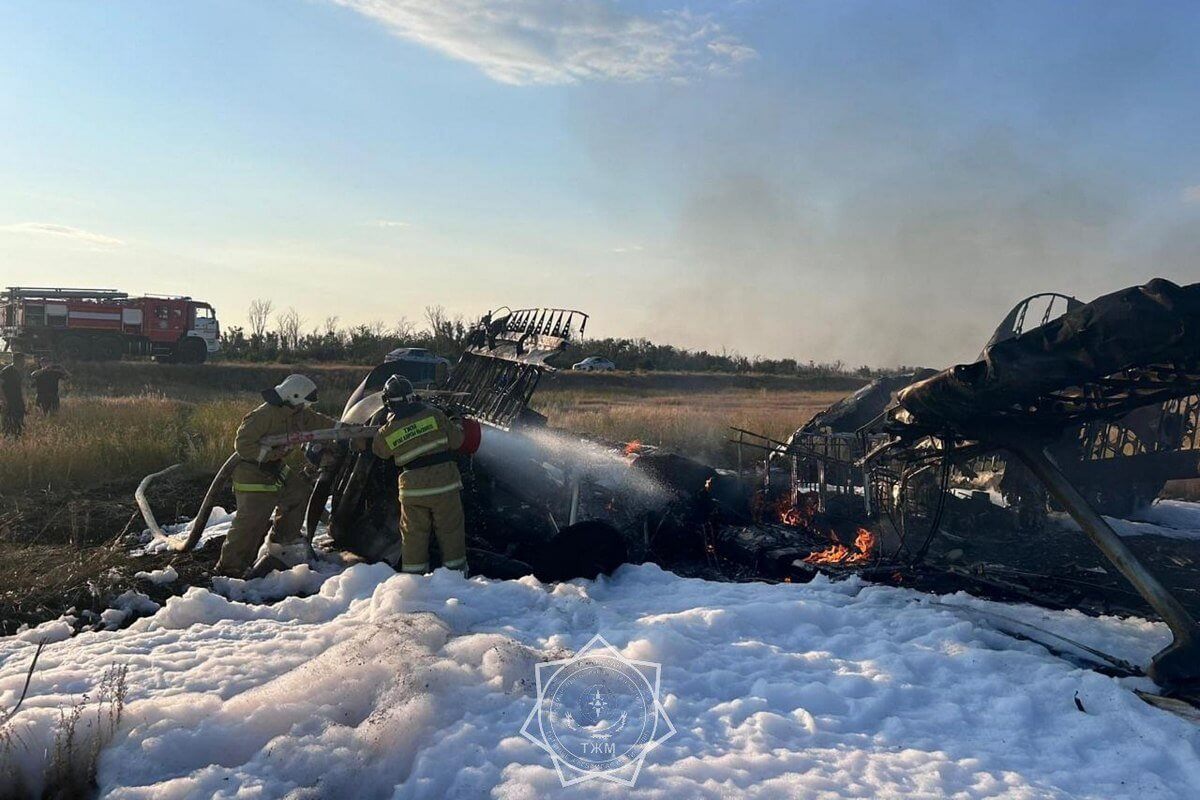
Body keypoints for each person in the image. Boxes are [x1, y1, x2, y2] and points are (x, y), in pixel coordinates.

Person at [215, 374, 338, 578]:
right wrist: (270, 454)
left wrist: (345, 429)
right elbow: (243, 444)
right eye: (304, 404)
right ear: (294, 397)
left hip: (275, 468)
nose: (305, 408)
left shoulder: (296, 412)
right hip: (252, 473)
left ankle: (283, 541)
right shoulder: (264, 416)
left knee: (298, 494)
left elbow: (316, 420)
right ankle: (231, 568)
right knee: (251, 522)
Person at [372, 375, 479, 574]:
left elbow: (380, 451)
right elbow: (457, 442)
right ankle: (456, 576)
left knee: (413, 536)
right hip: (445, 486)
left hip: (413, 492)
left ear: (388, 403)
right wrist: (455, 421)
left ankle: (415, 579)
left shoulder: (387, 430)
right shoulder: (435, 415)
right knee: (450, 532)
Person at [1, 354, 26, 438]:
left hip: (18, 402)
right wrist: (4, 400)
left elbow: (21, 387)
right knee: (9, 425)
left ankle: (17, 441)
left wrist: (24, 401)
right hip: (9, 402)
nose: (24, 362)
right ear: (17, 361)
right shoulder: (7, 371)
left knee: (19, 424)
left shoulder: (18, 371)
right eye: (23, 360)